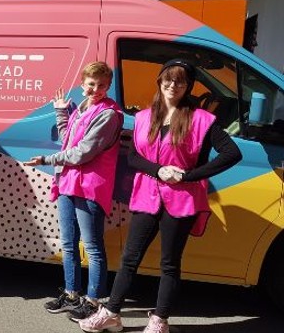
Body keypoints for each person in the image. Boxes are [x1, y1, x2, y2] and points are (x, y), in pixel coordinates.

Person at [80, 59, 242, 333]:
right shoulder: (145, 117)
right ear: (160, 81)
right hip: (147, 195)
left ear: (188, 85)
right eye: (168, 78)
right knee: (130, 257)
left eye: (180, 81)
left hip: (182, 201)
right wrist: (159, 170)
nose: (173, 85)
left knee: (169, 263)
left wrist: (188, 175)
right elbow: (133, 157)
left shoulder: (202, 120)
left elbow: (231, 154)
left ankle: (159, 321)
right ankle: (111, 313)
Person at [24, 61, 123, 320]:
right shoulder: (82, 108)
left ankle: (93, 301)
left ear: (109, 86)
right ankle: (71, 294)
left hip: (90, 186)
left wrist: (47, 160)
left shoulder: (109, 114)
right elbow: (68, 138)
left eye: (102, 85)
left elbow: (83, 153)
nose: (96, 89)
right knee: (69, 244)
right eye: (91, 84)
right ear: (83, 84)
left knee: (91, 246)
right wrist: (61, 111)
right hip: (69, 181)